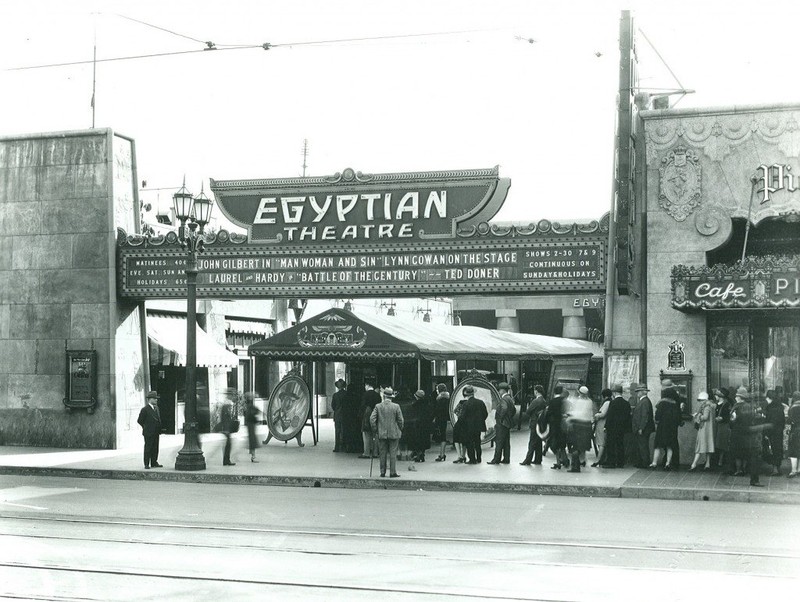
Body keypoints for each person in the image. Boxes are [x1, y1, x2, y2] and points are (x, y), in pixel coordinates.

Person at [729, 386, 768, 486]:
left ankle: (740, 471)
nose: (735, 397)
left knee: (740, 455)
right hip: (750, 436)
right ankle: (754, 480)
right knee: (754, 458)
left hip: (738, 436)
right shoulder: (750, 407)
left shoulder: (735, 408)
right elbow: (757, 419)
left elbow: (732, 423)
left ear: (739, 397)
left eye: (737, 396)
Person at [370, 386, 404, 478]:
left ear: (384, 396)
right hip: (394, 433)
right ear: (391, 396)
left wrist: (375, 429)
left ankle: (382, 472)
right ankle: (393, 472)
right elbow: (400, 420)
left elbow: (372, 419)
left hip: (382, 433)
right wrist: (400, 428)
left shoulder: (378, 406)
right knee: (393, 453)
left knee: (382, 453)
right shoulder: (396, 406)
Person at [650, 386, 682, 470]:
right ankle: (667, 464)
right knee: (669, 446)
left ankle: (654, 463)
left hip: (662, 427)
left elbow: (657, 417)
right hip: (672, 428)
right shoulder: (675, 404)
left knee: (657, 446)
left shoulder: (661, 403)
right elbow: (678, 417)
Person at [564, 385, 594, 472]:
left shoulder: (579, 401)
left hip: (578, 425)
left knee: (575, 446)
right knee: (583, 446)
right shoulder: (590, 401)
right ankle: (582, 461)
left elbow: (577, 413)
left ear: (579, 392)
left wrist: (570, 415)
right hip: (587, 425)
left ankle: (575, 466)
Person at [603, 383, 631, 468]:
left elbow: (610, 416)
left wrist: (606, 426)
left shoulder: (613, 403)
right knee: (620, 444)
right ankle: (620, 462)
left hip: (612, 428)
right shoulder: (626, 403)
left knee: (611, 445)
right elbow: (628, 416)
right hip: (622, 428)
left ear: (614, 393)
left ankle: (611, 462)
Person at [487, 382, 516, 464]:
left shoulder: (503, 399)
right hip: (507, 424)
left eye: (499, 390)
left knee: (499, 441)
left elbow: (504, 408)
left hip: (502, 424)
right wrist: (509, 417)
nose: (499, 392)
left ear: (503, 390)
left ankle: (496, 459)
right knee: (506, 442)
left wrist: (500, 418)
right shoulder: (509, 398)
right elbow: (513, 410)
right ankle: (506, 459)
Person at [520, 384, 547, 465]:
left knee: (532, 442)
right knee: (538, 442)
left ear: (536, 391)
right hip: (541, 423)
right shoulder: (544, 401)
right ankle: (538, 459)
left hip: (534, 422)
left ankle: (528, 460)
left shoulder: (535, 401)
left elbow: (528, 411)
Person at [461, 385, 489, 464]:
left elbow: (462, 416)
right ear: (473, 393)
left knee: (469, 443)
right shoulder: (480, 402)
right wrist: (480, 420)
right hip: (478, 426)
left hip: (469, 427)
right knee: (477, 443)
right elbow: (485, 414)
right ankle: (479, 458)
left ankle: (472, 459)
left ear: (466, 393)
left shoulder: (466, 404)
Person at [631, 383, 655, 469]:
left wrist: (641, 428)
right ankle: (641, 462)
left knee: (643, 446)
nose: (637, 393)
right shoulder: (645, 401)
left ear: (641, 392)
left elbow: (645, 416)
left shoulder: (644, 402)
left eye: (638, 392)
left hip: (643, 428)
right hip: (644, 428)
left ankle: (644, 462)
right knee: (642, 445)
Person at [689, 392, 715, 471]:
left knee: (699, 446)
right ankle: (707, 464)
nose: (700, 401)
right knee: (708, 446)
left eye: (701, 400)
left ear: (705, 400)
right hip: (708, 429)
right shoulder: (711, 406)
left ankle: (694, 464)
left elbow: (705, 417)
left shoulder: (706, 407)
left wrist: (698, 416)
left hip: (703, 428)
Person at [137, 391, 163, 469]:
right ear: (150, 399)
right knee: (148, 448)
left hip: (156, 431)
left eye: (156, 399)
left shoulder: (157, 408)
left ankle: (154, 462)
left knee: (155, 447)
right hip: (148, 432)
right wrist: (145, 427)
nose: (156, 400)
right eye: (154, 398)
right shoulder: (145, 409)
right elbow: (140, 420)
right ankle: (146, 464)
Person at [763, 389, 786, 476]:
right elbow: (782, 421)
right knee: (778, 449)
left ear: (770, 398)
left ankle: (775, 470)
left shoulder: (771, 408)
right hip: (778, 432)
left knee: (772, 450)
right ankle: (778, 468)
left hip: (772, 433)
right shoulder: (780, 407)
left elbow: (770, 423)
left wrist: (766, 433)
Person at [546, 385, 569, 469]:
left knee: (555, 445)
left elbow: (549, 413)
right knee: (562, 444)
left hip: (555, 426)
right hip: (563, 425)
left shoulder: (552, 401)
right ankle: (565, 460)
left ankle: (558, 462)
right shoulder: (564, 401)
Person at [359, 382, 381, 459]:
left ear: (367, 385)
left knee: (366, 435)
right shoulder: (377, 395)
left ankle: (366, 453)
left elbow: (362, 406)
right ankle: (375, 453)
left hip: (367, 417)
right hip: (376, 416)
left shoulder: (365, 395)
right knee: (375, 435)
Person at [408, 389, 432, 462]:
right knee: (424, 439)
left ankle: (418, 455)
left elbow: (412, 415)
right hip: (426, 424)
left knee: (417, 440)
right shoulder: (427, 404)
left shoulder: (414, 405)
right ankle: (422, 454)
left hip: (417, 425)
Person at [591, 388, 612, 467]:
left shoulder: (607, 403)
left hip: (602, 424)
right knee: (601, 442)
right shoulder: (609, 402)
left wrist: (596, 415)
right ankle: (600, 458)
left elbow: (603, 414)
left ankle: (598, 459)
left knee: (601, 442)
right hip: (602, 424)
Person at [713, 388, 733, 469]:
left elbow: (728, 416)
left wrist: (722, 418)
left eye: (717, 395)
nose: (715, 396)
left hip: (723, 426)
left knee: (722, 443)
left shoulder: (727, 404)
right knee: (717, 443)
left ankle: (721, 460)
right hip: (717, 425)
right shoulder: (716, 404)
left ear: (721, 396)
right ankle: (717, 460)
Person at [432, 383, 451, 462]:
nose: (436, 390)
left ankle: (442, 454)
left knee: (442, 437)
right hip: (445, 419)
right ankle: (442, 454)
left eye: (437, 389)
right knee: (442, 436)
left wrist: (434, 417)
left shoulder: (440, 399)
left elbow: (437, 410)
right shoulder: (447, 398)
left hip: (440, 419)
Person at [451, 390, 469, 464]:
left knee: (456, 439)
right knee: (464, 440)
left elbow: (455, 411)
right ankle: (463, 455)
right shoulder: (470, 403)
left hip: (459, 423)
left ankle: (459, 456)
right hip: (467, 424)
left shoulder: (461, 402)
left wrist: (460, 416)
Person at [243, 392, 262, 463]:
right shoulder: (250, 406)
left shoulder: (248, 406)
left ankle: (252, 453)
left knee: (252, 438)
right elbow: (255, 411)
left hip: (250, 424)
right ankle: (253, 456)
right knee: (252, 439)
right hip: (251, 424)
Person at [331, 378, 348, 452]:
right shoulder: (347, 394)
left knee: (337, 431)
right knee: (345, 430)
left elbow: (333, 406)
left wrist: (336, 410)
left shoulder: (335, 395)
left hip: (337, 414)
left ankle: (337, 446)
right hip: (345, 415)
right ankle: (345, 446)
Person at [786, 391, 800, 478]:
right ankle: (799, 469)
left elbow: (789, 420)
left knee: (793, 451)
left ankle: (793, 470)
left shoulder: (792, 408)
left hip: (795, 431)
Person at [220, 397, 236, 466]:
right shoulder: (226, 407)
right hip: (227, 429)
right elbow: (225, 419)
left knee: (228, 444)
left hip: (227, 429)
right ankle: (226, 460)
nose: (231, 408)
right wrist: (226, 429)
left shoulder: (225, 407)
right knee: (228, 445)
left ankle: (226, 460)